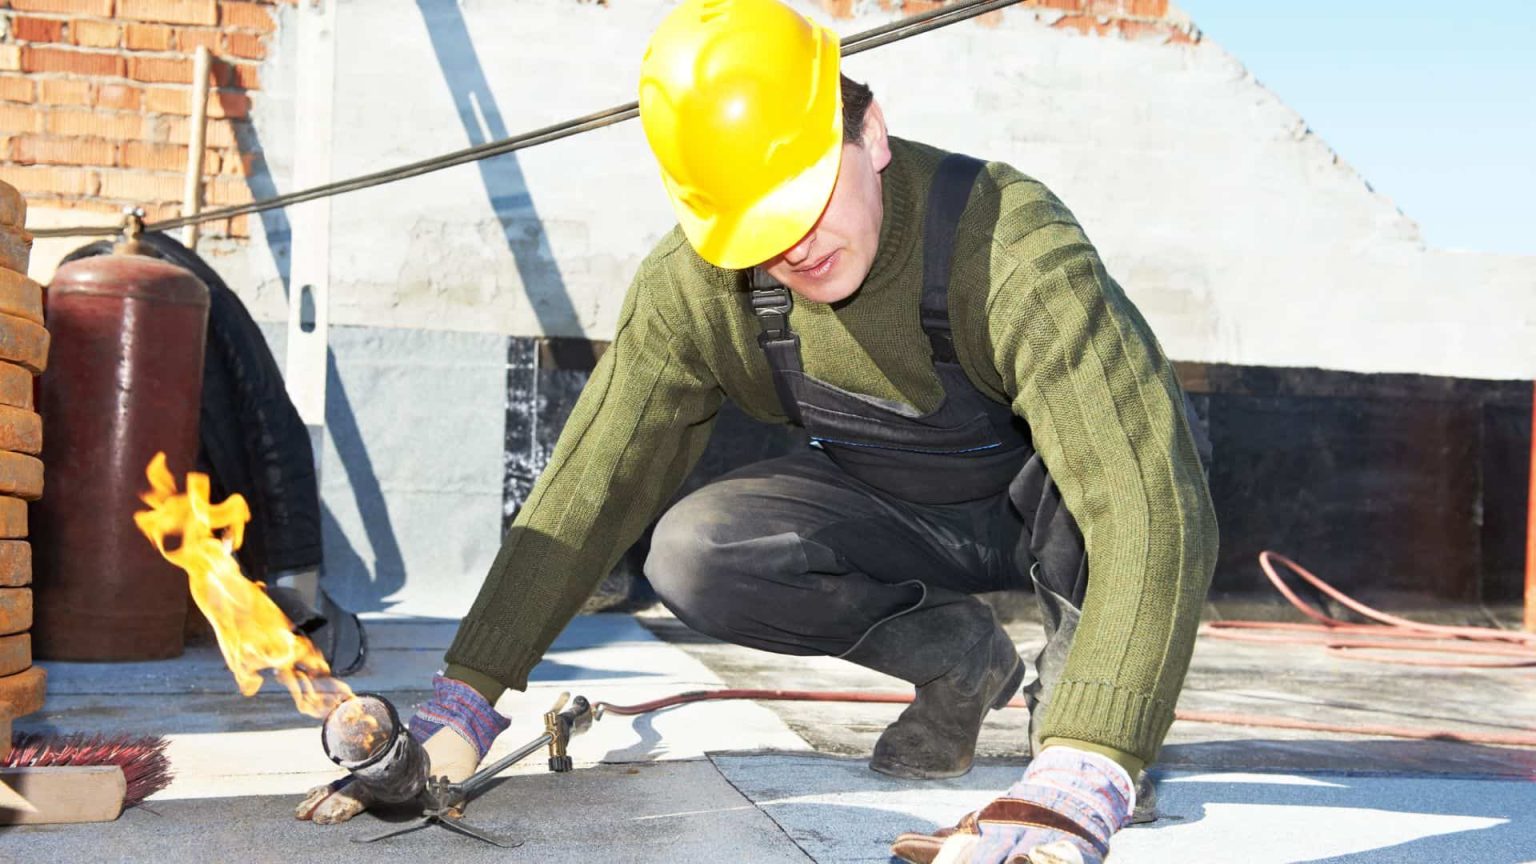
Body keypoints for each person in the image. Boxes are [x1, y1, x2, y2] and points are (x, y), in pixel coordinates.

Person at [301, 1, 1217, 861]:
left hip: (1052, 519)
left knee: (1106, 548)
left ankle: (1069, 710)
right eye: (756, 232)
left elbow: (1149, 505)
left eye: (807, 196)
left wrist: (1085, 763)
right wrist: (463, 704)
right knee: (698, 550)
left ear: (870, 132)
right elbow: (588, 492)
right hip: (899, 518)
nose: (796, 247)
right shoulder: (698, 286)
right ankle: (959, 657)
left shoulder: (1009, 248)